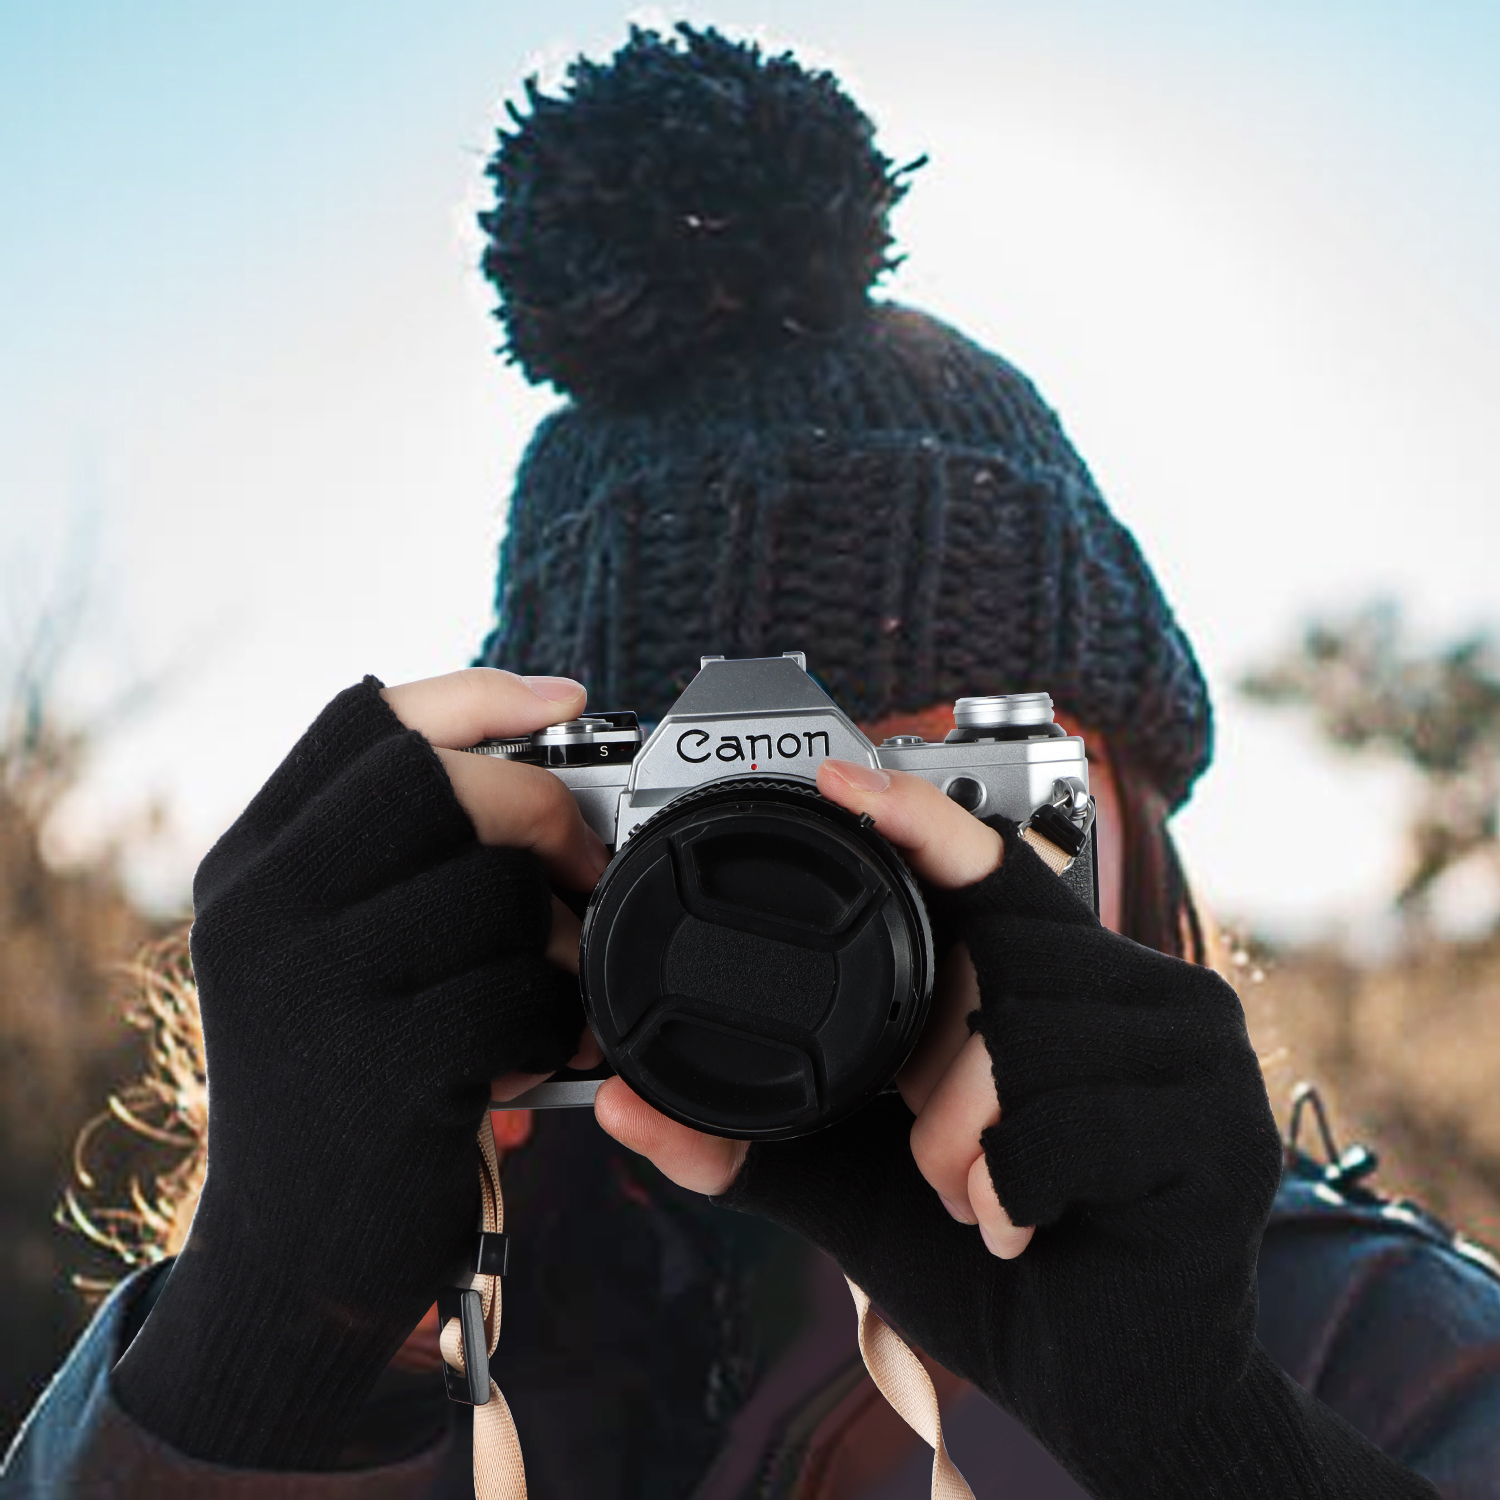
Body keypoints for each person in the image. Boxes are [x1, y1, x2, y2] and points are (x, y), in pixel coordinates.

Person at [5, 24, 1500, 1500]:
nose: (816, 918)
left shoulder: (1390, 1352)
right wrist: (267, 1345)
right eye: (725, 822)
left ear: (1121, 809)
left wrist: (1206, 1437)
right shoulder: (414, 1341)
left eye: (927, 797)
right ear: (543, 844)